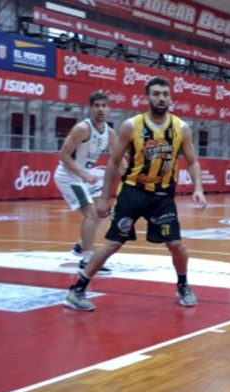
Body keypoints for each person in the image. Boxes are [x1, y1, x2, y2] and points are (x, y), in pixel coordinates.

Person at [64, 76, 207, 311]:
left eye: (165, 94)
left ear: (170, 98)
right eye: (156, 94)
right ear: (147, 97)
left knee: (176, 244)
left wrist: (198, 188)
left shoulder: (181, 128)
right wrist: (104, 198)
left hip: (162, 196)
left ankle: (183, 285)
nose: (161, 98)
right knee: (112, 244)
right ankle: (77, 290)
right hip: (132, 192)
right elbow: (114, 162)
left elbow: (192, 162)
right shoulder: (131, 126)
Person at [54, 91, 119, 275]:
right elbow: (63, 155)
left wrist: (131, 177)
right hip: (69, 175)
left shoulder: (110, 133)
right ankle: (87, 260)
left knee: (101, 211)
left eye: (104, 106)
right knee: (90, 213)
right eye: (97, 106)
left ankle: (81, 245)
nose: (100, 109)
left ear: (109, 109)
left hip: (85, 176)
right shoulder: (82, 128)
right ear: (91, 108)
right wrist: (83, 174)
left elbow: (117, 158)